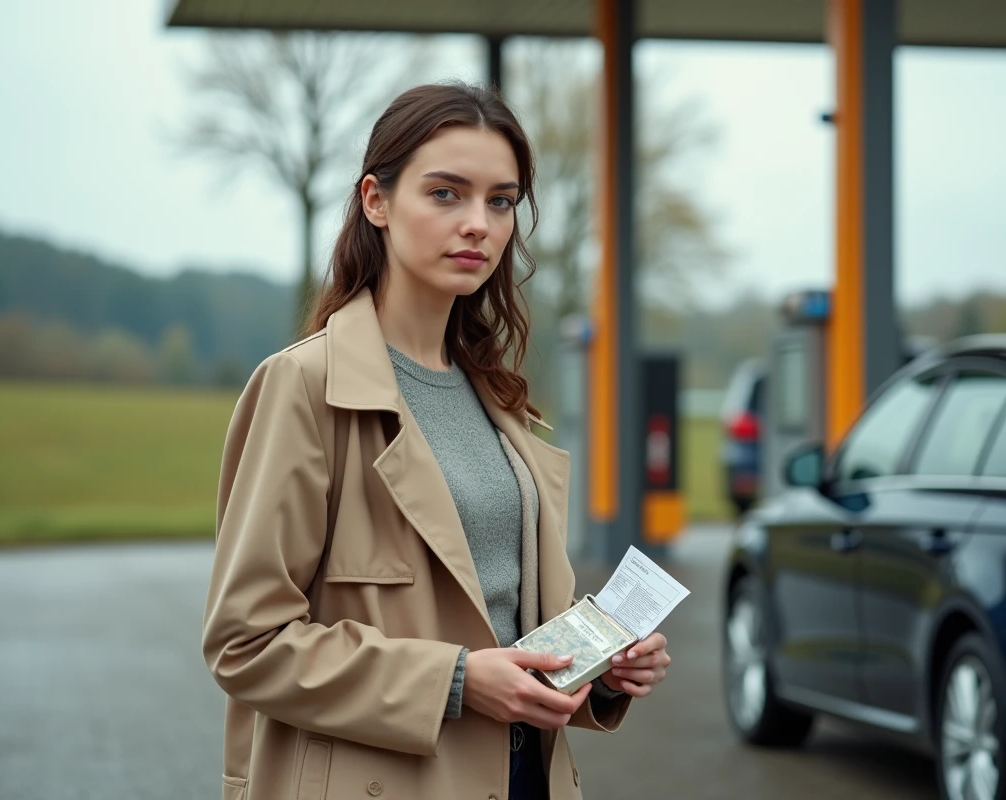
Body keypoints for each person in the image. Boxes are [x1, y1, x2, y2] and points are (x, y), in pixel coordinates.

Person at [202, 82, 672, 800]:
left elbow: (509, 624)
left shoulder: (499, 400)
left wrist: (602, 669)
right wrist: (454, 680)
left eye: (501, 201)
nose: (478, 224)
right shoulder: (304, 386)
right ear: (376, 201)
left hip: (524, 778)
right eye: (446, 193)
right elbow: (246, 643)